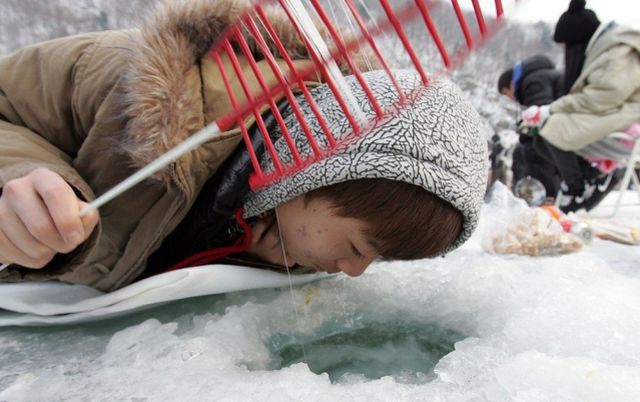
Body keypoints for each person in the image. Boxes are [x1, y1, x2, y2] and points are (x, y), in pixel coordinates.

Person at [0, 0, 487, 292]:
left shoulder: (289, 229)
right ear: (307, 175)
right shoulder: (123, 80)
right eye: (359, 248)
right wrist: (18, 185)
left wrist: (250, 249)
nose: (354, 272)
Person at [521, 0, 640, 212]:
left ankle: (578, 188)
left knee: (555, 125)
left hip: (629, 118)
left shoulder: (618, 51)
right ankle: (590, 178)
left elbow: (604, 96)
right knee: (539, 136)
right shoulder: (607, 49)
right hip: (614, 114)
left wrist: (551, 109)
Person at [497, 54, 564, 198]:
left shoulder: (532, 81)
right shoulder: (538, 77)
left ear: (510, 84)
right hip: (566, 126)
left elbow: (540, 117)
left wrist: (525, 137)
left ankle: (545, 198)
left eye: (506, 93)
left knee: (533, 150)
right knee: (525, 149)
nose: (510, 98)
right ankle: (544, 196)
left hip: (567, 128)